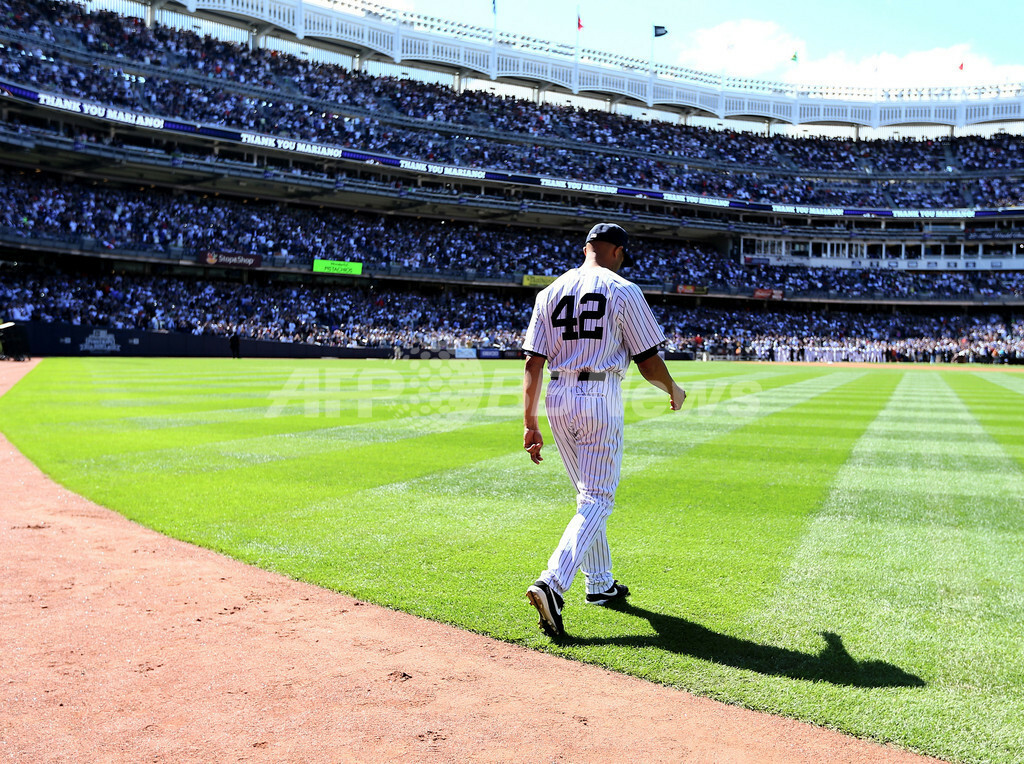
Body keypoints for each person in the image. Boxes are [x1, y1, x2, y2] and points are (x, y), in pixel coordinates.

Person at [521, 223, 686, 638]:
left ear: (586, 248)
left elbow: (532, 364)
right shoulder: (622, 288)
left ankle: (601, 584)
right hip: (599, 394)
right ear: (616, 251)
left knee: (587, 496)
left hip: (557, 395)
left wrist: (530, 422)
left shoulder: (548, 292)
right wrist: (673, 388)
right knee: (598, 497)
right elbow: (648, 362)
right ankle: (552, 584)